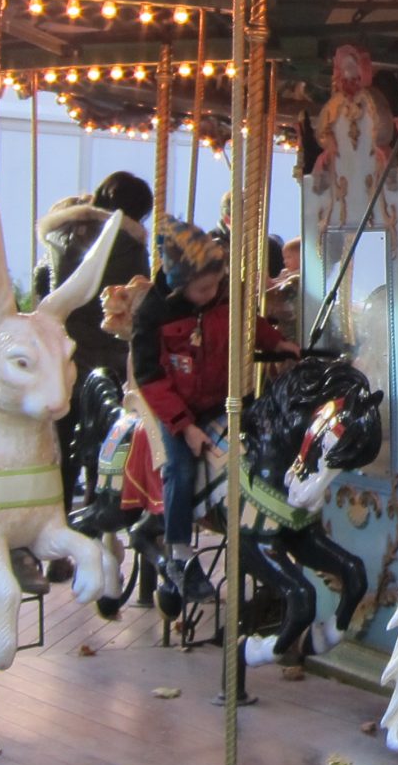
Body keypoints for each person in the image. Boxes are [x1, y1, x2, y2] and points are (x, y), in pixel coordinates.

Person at [132, 218, 286, 612]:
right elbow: (150, 378)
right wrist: (184, 426)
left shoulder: (222, 296)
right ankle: (179, 554)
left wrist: (277, 343)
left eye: (216, 285)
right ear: (180, 285)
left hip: (221, 401)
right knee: (180, 468)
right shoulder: (153, 313)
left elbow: (248, 324)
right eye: (203, 289)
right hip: (177, 410)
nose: (212, 293)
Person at [36, 173, 153, 503]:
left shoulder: (59, 236)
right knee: (105, 435)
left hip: (63, 352)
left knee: (62, 437)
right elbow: (137, 302)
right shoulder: (128, 244)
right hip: (108, 351)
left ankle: (56, 511)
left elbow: (42, 285)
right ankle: (96, 506)